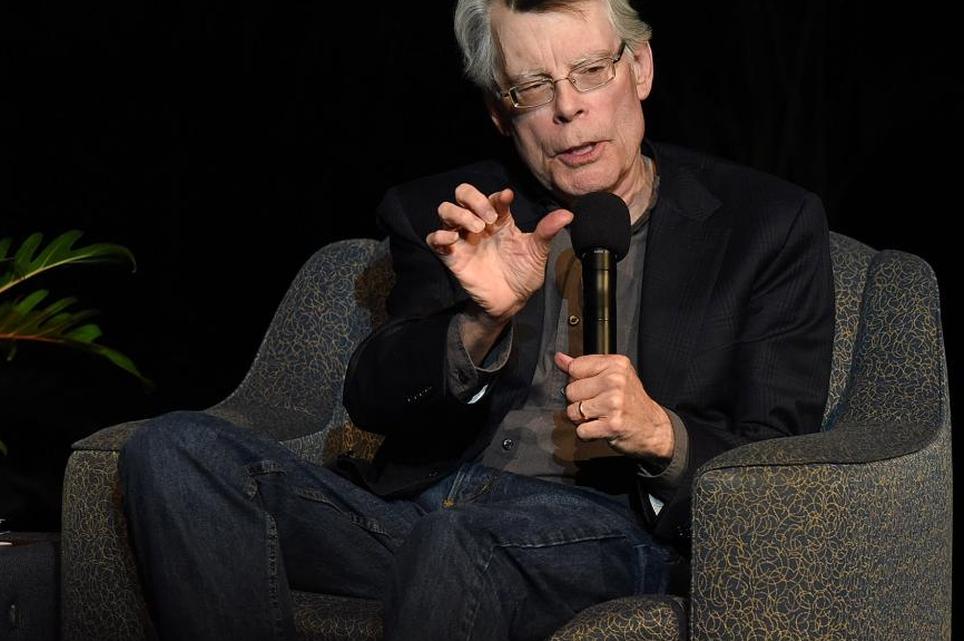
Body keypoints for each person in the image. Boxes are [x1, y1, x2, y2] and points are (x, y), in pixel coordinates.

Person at [119, 0, 835, 639]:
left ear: (639, 67)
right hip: (420, 512)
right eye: (532, 88)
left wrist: (661, 433)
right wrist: (478, 324)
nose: (568, 109)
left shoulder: (763, 225)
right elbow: (372, 393)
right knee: (171, 449)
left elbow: (783, 460)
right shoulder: (456, 210)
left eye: (590, 71)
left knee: (458, 542)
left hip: (605, 528)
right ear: (501, 111)